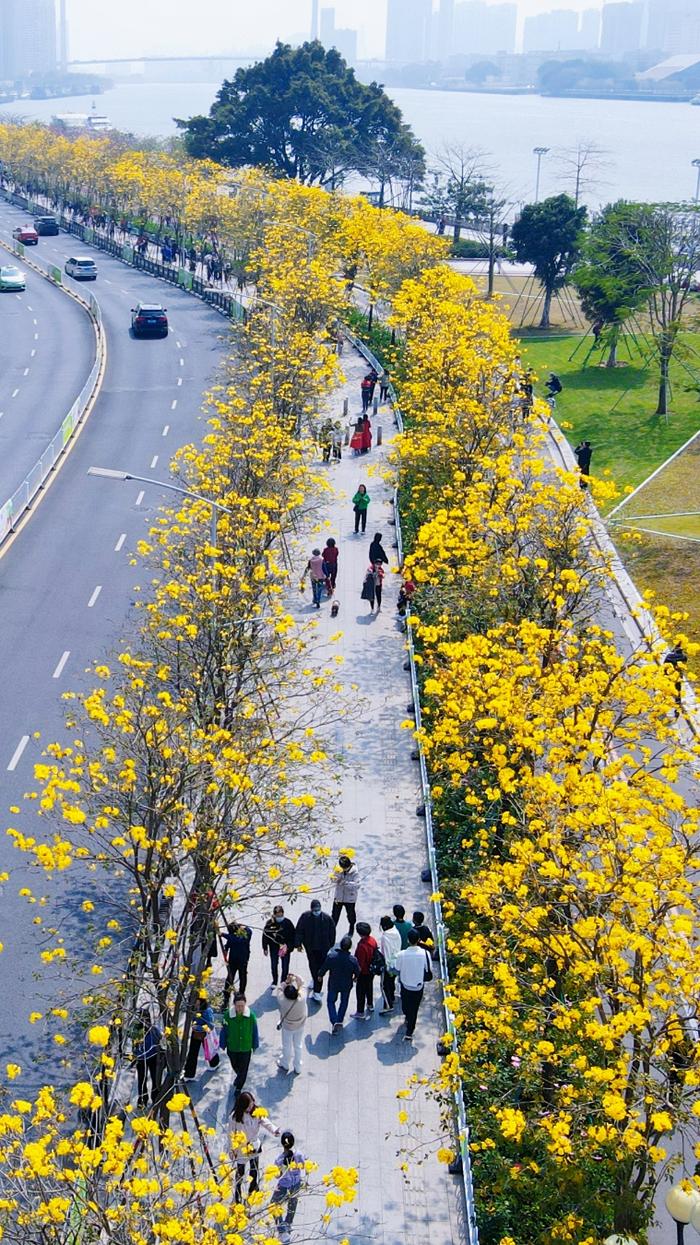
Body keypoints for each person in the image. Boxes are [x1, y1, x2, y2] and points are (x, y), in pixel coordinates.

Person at [230, 1091, 279, 1203]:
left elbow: (265, 1122)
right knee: (240, 1173)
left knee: (254, 1170)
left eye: (252, 1104)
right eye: (249, 1105)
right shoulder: (234, 1117)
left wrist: (274, 1130)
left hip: (254, 1146)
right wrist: (232, 1150)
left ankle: (253, 1189)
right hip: (241, 1149)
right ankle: (237, 1194)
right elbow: (231, 1134)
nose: (251, 1107)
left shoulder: (256, 1112)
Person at [295, 899, 336, 1003]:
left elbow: (332, 933)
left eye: (318, 910)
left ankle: (317, 991)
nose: (317, 911)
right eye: (315, 910)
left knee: (320, 970)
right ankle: (315, 981)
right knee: (313, 966)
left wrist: (330, 946)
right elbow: (299, 931)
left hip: (323, 949)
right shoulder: (305, 917)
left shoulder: (327, 918)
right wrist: (298, 944)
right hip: (311, 948)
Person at [220, 993, 259, 1097]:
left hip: (245, 1047)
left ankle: (239, 1087)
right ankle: (239, 1077)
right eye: (238, 1006)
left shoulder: (251, 1016)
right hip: (232, 1047)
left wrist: (255, 1045)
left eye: (242, 1005)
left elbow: (255, 1031)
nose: (240, 1008)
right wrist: (222, 1044)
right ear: (234, 1005)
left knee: (244, 1069)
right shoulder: (228, 1015)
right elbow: (224, 1030)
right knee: (235, 1065)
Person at [396, 929, 432, 1042]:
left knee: (406, 1006)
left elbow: (397, 968)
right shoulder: (425, 954)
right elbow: (429, 969)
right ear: (419, 940)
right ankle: (410, 1028)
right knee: (414, 1009)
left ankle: (408, 1023)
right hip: (418, 986)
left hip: (405, 985)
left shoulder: (401, 954)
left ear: (407, 940)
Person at [319, 934, 359, 1033]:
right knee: (344, 1002)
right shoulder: (353, 960)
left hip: (334, 983)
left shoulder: (332, 957)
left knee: (330, 1002)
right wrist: (355, 978)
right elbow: (357, 972)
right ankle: (340, 1020)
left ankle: (334, 1020)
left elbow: (324, 967)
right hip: (346, 985)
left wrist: (320, 975)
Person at [271, 1131, 306, 1240]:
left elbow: (277, 1176)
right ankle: (288, 1224)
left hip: (283, 1186)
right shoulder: (299, 1154)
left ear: (282, 1144)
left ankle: (281, 1230)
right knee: (292, 1204)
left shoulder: (279, 1160)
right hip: (295, 1184)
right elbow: (303, 1166)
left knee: (274, 1205)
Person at [276, 972, 308, 1075]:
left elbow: (280, 988)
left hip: (287, 1027)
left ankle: (285, 1063)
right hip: (300, 1025)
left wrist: (287, 981)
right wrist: (295, 977)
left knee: (287, 1045)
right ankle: (298, 1066)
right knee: (298, 1045)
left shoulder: (282, 1000)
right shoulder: (302, 998)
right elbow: (302, 983)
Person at [132, 1008, 161, 1107]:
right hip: (144, 1059)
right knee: (144, 1080)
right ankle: (145, 1100)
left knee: (151, 1079)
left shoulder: (151, 1029)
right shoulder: (138, 1031)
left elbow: (159, 1039)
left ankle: (150, 1099)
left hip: (149, 1058)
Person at [183, 992, 216, 1081]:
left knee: (209, 1050)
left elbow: (211, 1025)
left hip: (204, 1034)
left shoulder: (207, 1011)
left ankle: (214, 1063)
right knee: (192, 1053)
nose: (195, 1003)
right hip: (196, 1033)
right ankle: (189, 1074)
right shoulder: (193, 1008)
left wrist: (199, 1027)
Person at [262, 905, 296, 987]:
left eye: (280, 915)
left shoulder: (288, 923)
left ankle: (283, 981)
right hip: (274, 947)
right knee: (274, 965)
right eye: (277, 915)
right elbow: (265, 935)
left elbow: (293, 936)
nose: (279, 917)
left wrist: (289, 946)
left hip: (285, 948)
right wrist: (265, 948)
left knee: (285, 966)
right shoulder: (270, 923)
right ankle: (274, 981)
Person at [222, 920, 252, 1007]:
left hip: (243, 959)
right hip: (233, 960)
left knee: (242, 976)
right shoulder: (232, 936)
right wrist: (226, 949)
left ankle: (241, 993)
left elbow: (235, 939)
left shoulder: (245, 934)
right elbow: (230, 942)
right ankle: (226, 996)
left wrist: (223, 935)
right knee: (229, 978)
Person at [353, 922, 378, 1020]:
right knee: (369, 987)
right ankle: (370, 1004)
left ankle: (360, 1012)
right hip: (371, 970)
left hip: (364, 972)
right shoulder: (372, 940)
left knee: (360, 992)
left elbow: (360, 963)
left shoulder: (362, 946)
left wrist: (356, 976)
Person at [331, 854, 359, 935]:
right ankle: (332, 930)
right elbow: (333, 878)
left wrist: (345, 883)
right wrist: (334, 879)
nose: (342, 869)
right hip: (339, 896)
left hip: (349, 898)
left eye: (344, 868)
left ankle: (351, 925)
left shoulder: (355, 872)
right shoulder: (338, 869)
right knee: (334, 915)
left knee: (351, 915)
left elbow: (357, 885)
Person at [379, 915, 402, 1014]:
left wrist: (387, 966)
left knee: (384, 985)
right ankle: (392, 997)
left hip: (388, 964)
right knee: (391, 982)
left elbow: (386, 952)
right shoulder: (396, 932)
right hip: (397, 961)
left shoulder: (385, 936)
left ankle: (388, 1005)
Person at [664, 642, 687, 713]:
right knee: (678, 692)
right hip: (677, 677)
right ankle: (677, 709)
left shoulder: (669, 656)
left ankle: (664, 705)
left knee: (666, 690)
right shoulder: (684, 657)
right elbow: (684, 665)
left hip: (669, 675)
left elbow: (665, 665)